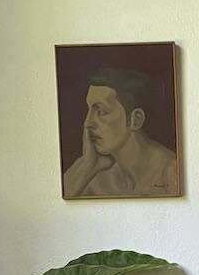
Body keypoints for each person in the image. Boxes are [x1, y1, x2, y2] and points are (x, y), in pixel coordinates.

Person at [62, 68, 178, 197]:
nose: (88, 123)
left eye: (101, 111)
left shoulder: (171, 173)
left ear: (136, 119)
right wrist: (86, 166)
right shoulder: (93, 175)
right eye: (89, 110)